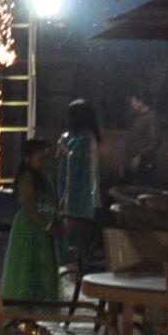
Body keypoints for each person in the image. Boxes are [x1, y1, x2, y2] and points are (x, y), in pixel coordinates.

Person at [0, 133, 64, 308]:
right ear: (27, 159)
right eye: (40, 158)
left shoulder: (44, 177)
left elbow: (52, 204)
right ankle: (25, 313)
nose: (45, 162)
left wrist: (55, 223)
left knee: (42, 271)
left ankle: (37, 313)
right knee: (27, 271)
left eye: (46, 158)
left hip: (44, 231)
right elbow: (29, 207)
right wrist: (48, 226)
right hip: (30, 229)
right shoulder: (27, 178)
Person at [60, 99, 104, 275]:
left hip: (81, 192)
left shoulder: (85, 138)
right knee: (79, 232)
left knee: (80, 232)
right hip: (81, 191)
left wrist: (64, 151)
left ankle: (81, 268)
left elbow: (76, 162)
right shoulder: (83, 137)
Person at [126, 92, 162, 186]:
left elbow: (155, 140)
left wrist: (140, 155)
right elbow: (132, 140)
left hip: (145, 163)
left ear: (140, 102)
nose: (132, 105)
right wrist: (125, 163)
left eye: (133, 102)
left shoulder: (151, 117)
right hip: (134, 162)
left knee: (142, 189)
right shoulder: (138, 118)